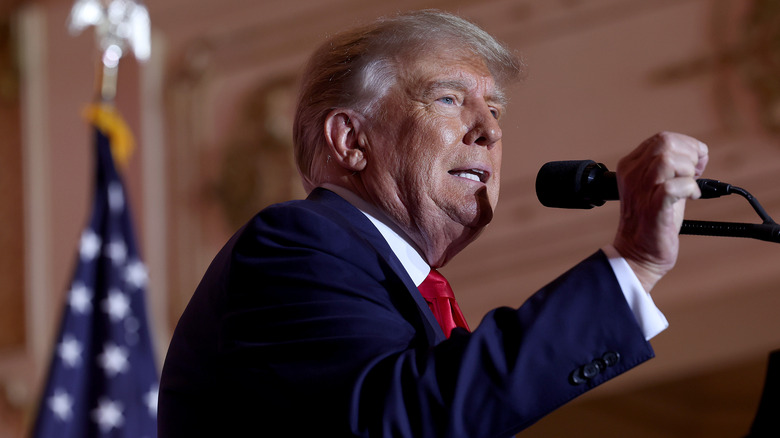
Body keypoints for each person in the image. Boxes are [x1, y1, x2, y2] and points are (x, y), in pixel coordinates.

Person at [158, 10, 709, 438]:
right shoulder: (297, 243)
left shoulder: (403, 290)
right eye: (448, 98)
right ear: (350, 140)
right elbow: (405, 418)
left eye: (494, 110)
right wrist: (631, 264)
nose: (488, 131)